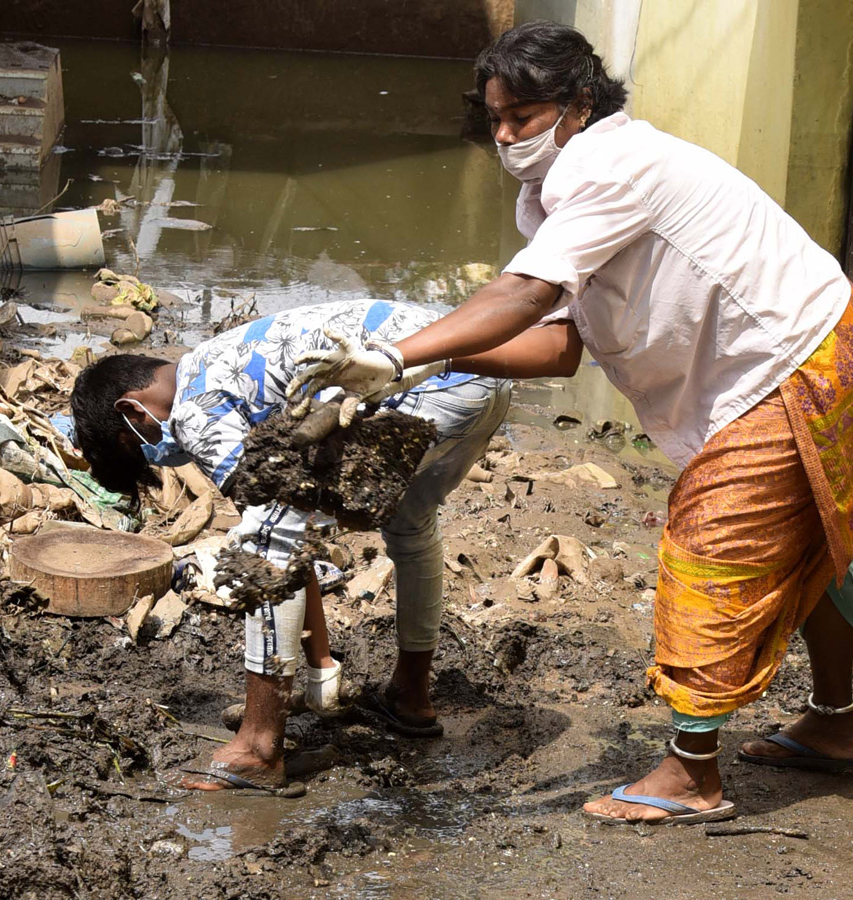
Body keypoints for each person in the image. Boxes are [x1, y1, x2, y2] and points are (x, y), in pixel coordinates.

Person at [289, 21, 853, 824]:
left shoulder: (612, 165)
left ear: (580, 102)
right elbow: (560, 346)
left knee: (710, 550)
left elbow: (521, 297)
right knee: (813, 553)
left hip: (791, 361)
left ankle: (692, 774)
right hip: (788, 358)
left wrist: (391, 354)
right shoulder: (555, 193)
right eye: (496, 119)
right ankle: (838, 726)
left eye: (523, 115)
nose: (507, 135)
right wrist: (429, 365)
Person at [71, 299, 514, 793]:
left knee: (262, 542)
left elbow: (273, 537)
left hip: (419, 380)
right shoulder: (219, 359)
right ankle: (409, 697)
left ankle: (258, 748)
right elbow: (292, 524)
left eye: (137, 444)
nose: (159, 455)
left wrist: (315, 672)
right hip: (482, 371)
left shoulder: (194, 407)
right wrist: (320, 671)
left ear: (133, 408)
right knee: (410, 525)